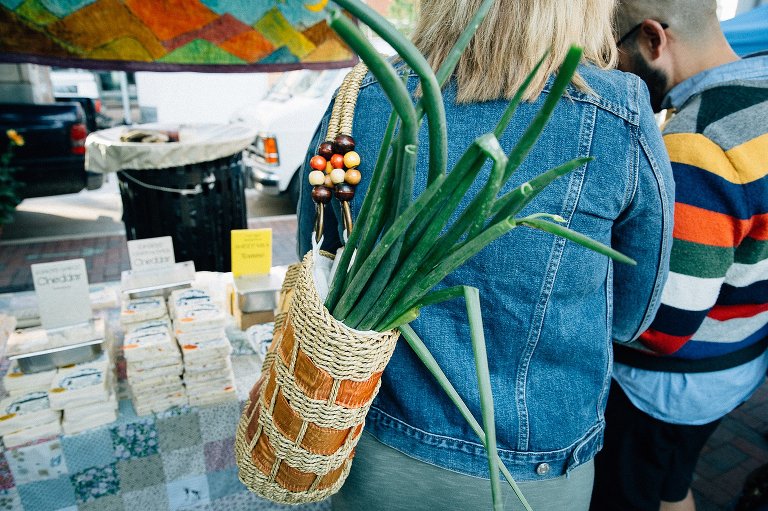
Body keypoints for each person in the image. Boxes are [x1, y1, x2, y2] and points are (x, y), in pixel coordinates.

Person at [297, 0, 674, 509]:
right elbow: (632, 315)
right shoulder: (619, 111)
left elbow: (317, 264)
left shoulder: (364, 93)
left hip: (375, 442)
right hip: (531, 466)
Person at [590, 1, 768, 510]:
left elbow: (663, 327)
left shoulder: (699, 141)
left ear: (652, 39)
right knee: (670, 484)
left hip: (670, 388)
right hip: (739, 358)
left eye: (611, 50)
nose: (610, 67)